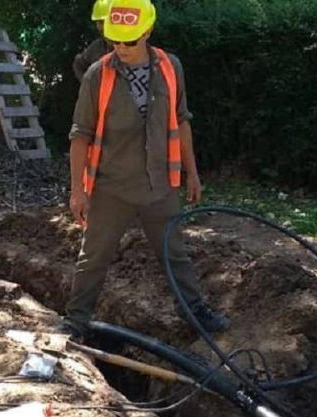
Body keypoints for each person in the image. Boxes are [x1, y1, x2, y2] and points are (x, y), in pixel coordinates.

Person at [61, 0, 229, 339]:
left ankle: (195, 313)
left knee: (174, 254)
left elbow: (181, 121)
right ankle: (76, 323)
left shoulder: (170, 68)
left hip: (159, 185)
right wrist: (77, 191)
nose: (120, 48)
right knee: (93, 258)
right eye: (114, 41)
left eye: (129, 41)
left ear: (147, 32)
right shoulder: (98, 75)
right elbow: (80, 136)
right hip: (112, 188)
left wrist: (191, 172)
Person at [73, 0, 112, 82]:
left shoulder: (133, 47)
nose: (100, 27)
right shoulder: (97, 46)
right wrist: (87, 85)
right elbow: (78, 64)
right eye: (99, 22)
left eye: (103, 22)